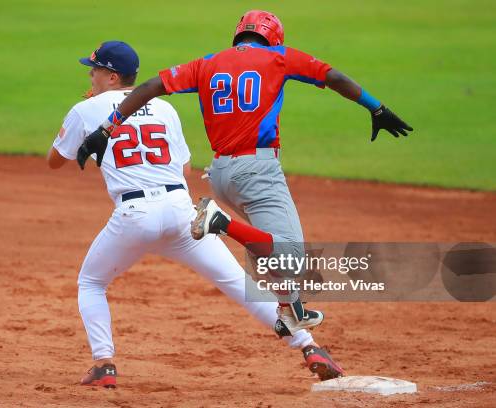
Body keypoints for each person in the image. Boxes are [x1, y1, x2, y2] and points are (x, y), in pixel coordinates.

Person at [76, 10, 414, 380]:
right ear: (275, 38)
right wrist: (375, 107)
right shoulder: (279, 57)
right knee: (289, 252)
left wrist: (109, 125)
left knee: (270, 255)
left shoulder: (207, 64)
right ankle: (222, 225)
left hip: (221, 175)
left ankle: (294, 318)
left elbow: (149, 87)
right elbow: (333, 77)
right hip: (257, 171)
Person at [47, 40, 342, 388]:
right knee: (238, 283)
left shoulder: (87, 111)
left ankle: (103, 364)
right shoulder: (164, 109)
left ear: (111, 77)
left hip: (134, 215)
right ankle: (310, 348)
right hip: (180, 212)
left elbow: (55, 161)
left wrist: (90, 125)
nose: (90, 74)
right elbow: (185, 168)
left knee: (92, 282)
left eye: (94, 69)